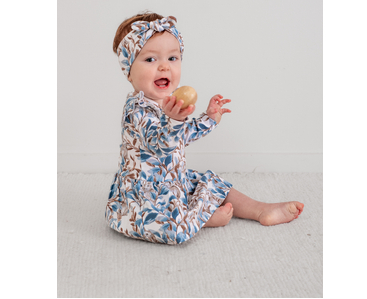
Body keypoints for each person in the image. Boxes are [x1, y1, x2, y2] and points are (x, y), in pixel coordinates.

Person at [106, 12, 304, 245]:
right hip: (146, 195)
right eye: (150, 59)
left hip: (173, 180)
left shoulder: (167, 104)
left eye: (172, 58)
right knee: (167, 225)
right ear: (129, 71)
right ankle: (201, 218)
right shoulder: (137, 109)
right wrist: (173, 120)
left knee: (211, 183)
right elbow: (160, 144)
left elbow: (182, 137)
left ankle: (260, 209)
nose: (164, 67)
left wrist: (209, 118)